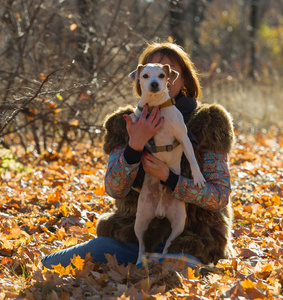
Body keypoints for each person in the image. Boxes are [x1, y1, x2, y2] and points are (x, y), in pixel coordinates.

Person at [41, 42, 234, 269]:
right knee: (51, 264)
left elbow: (219, 196)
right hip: (135, 241)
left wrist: (170, 179)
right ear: (139, 79)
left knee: (163, 274)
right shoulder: (126, 122)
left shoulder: (208, 122)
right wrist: (134, 146)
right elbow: (114, 188)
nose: (157, 80)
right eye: (149, 73)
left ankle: (164, 266)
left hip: (193, 242)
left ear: (183, 80)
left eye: (167, 72)